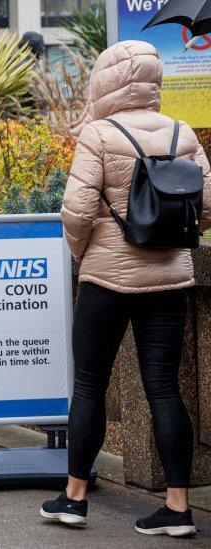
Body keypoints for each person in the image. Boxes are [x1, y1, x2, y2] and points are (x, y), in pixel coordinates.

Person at [39, 41, 211, 537]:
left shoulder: (98, 133)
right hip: (170, 276)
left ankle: (74, 498)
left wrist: (82, 253)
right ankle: (178, 508)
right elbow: (208, 203)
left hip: (107, 278)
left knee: (90, 384)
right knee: (164, 388)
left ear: (106, 80)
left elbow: (76, 210)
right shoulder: (182, 133)